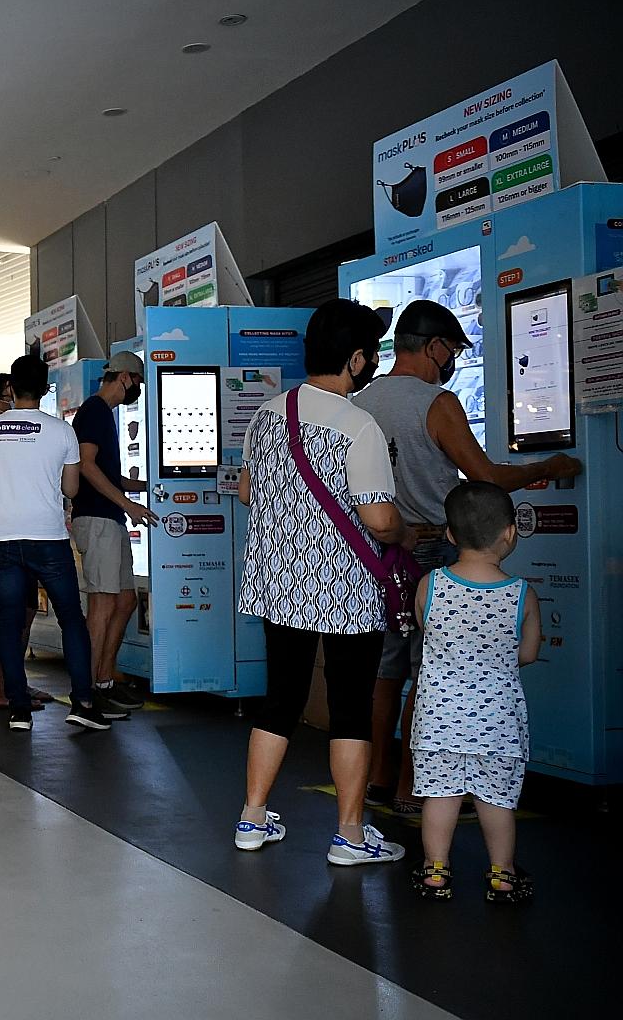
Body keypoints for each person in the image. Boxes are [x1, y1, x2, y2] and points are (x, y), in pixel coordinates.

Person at [352, 299, 582, 813]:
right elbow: (488, 477)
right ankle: (415, 786)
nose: (453, 358)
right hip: (431, 546)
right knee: (427, 672)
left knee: (385, 673)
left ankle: (379, 780)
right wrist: (553, 464)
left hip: (378, 551)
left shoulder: (363, 401)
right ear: (433, 347)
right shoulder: (437, 402)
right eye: (452, 349)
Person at [234, 298, 411, 865]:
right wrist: (410, 530)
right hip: (344, 591)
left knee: (279, 701)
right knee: (350, 706)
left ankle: (253, 819)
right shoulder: (358, 425)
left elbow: (245, 491)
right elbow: (380, 519)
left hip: (278, 583)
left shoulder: (268, 412)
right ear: (356, 359)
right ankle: (350, 836)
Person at [409, 482, 541, 902]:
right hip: (498, 721)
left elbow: (428, 631)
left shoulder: (431, 585)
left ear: (449, 534)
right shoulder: (522, 593)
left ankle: (435, 872)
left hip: (438, 719)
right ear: (509, 533)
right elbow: (529, 653)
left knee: (440, 796)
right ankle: (502, 876)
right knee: (496, 800)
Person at [0, 354, 117, 733]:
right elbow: (71, 488)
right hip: (48, 539)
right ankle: (83, 701)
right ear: (46, 388)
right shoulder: (61, 431)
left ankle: (18, 708)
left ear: (10, 389)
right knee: (71, 617)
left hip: (3, 540)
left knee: (9, 622)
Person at [71, 351, 159, 713]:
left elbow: (103, 472)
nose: (135, 390)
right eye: (136, 383)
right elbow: (87, 466)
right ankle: (88, 693)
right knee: (103, 604)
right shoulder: (94, 411)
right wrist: (129, 504)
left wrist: (144, 485)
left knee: (123, 600)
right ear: (124, 377)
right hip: (99, 520)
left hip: (109, 519)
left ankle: (104, 681)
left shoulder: (102, 414)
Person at [0, 375, 52, 713]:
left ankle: (12, 681)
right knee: (7, 610)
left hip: (14, 529)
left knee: (22, 610)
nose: (14, 401)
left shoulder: (6, 433)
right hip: (2, 530)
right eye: (7, 396)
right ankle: (1, 687)